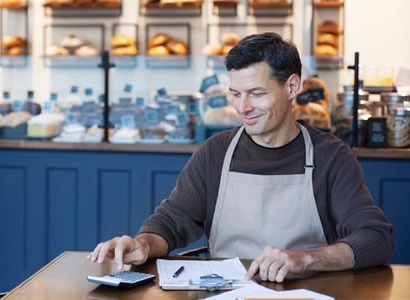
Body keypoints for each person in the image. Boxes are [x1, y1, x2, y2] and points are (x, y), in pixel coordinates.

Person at [87, 32, 394, 283]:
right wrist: (143, 243)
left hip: (304, 291)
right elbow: (171, 221)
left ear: (291, 86)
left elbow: (376, 238)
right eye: (236, 93)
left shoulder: (331, 156)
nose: (242, 107)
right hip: (224, 292)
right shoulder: (216, 152)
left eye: (256, 93)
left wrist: (307, 258)